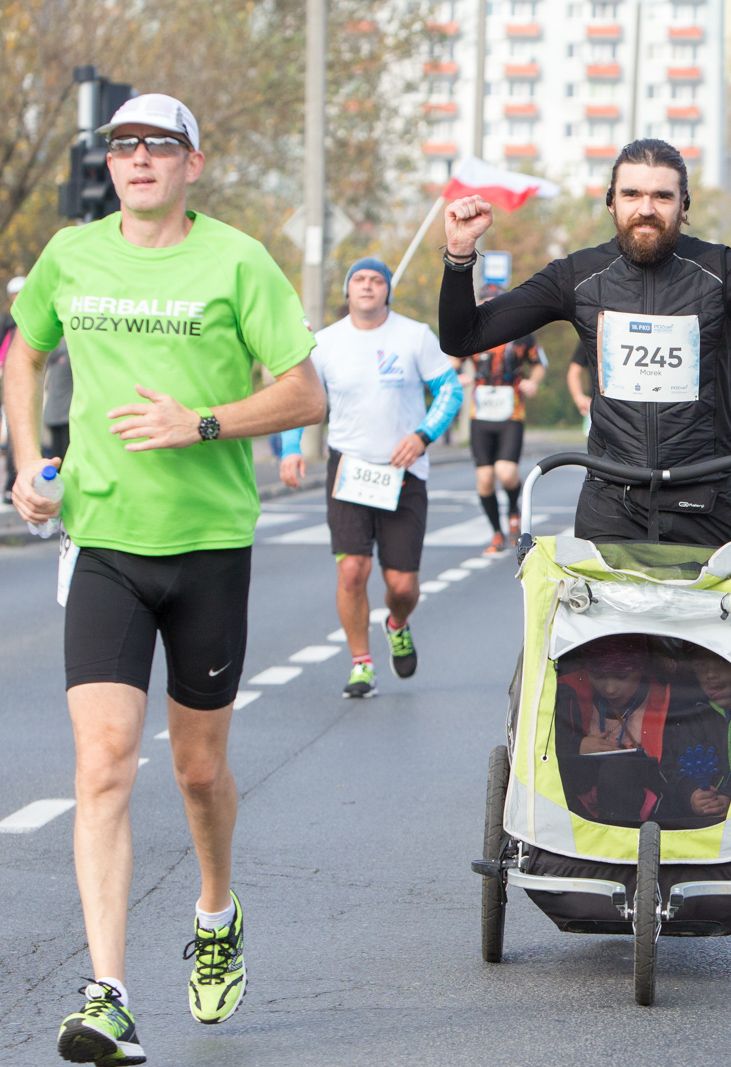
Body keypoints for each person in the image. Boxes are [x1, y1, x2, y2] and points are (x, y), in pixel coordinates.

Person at [2, 93, 326, 1062]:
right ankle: (108, 990)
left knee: (194, 767)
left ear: (193, 160)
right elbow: (25, 346)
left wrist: (206, 420)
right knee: (102, 761)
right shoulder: (71, 254)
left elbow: (306, 388)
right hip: (102, 541)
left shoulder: (236, 260)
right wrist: (27, 461)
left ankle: (216, 911)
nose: (136, 159)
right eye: (122, 145)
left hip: (208, 544)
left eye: (157, 145)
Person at [441, 139, 731, 545]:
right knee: (609, 621)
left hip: (705, 504)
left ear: (684, 205)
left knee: (702, 620)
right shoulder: (576, 276)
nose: (645, 209)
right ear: (611, 203)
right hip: (610, 505)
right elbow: (464, 337)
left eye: (662, 196)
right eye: (631, 194)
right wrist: (459, 257)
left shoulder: (725, 271)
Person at [280, 257, 462, 698]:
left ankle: (397, 623)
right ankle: (361, 663)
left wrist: (423, 436)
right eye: (358, 280)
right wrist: (290, 450)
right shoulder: (323, 343)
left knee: (401, 585)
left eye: (376, 280)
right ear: (348, 291)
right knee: (352, 573)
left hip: (403, 472)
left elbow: (450, 391)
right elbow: (299, 398)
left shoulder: (414, 336)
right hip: (350, 470)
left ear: (387, 291)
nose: (366, 287)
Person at [553, 634, 672, 824]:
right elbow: (540, 745)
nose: (609, 689)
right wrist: (577, 746)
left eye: (622, 677)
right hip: (578, 801)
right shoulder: (568, 692)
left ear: (641, 669)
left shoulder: (666, 698)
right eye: (598, 676)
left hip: (645, 801)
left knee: (617, 771)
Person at [466, 314, 546, 555]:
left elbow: (540, 363)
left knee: (506, 471)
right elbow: (452, 361)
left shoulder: (522, 334)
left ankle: (513, 509)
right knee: (485, 479)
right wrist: (456, 377)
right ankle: (496, 533)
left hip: (511, 413)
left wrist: (533, 382)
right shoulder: (472, 333)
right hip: (480, 414)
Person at [660, 646, 731, 825]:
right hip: (691, 821)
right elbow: (667, 768)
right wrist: (689, 793)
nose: (710, 675)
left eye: (722, 662)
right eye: (701, 666)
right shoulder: (687, 716)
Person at [1, 275, 24, 500]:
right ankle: (11, 484)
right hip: (9, 382)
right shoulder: (7, 322)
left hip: (33, 383)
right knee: (13, 432)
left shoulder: (34, 319)